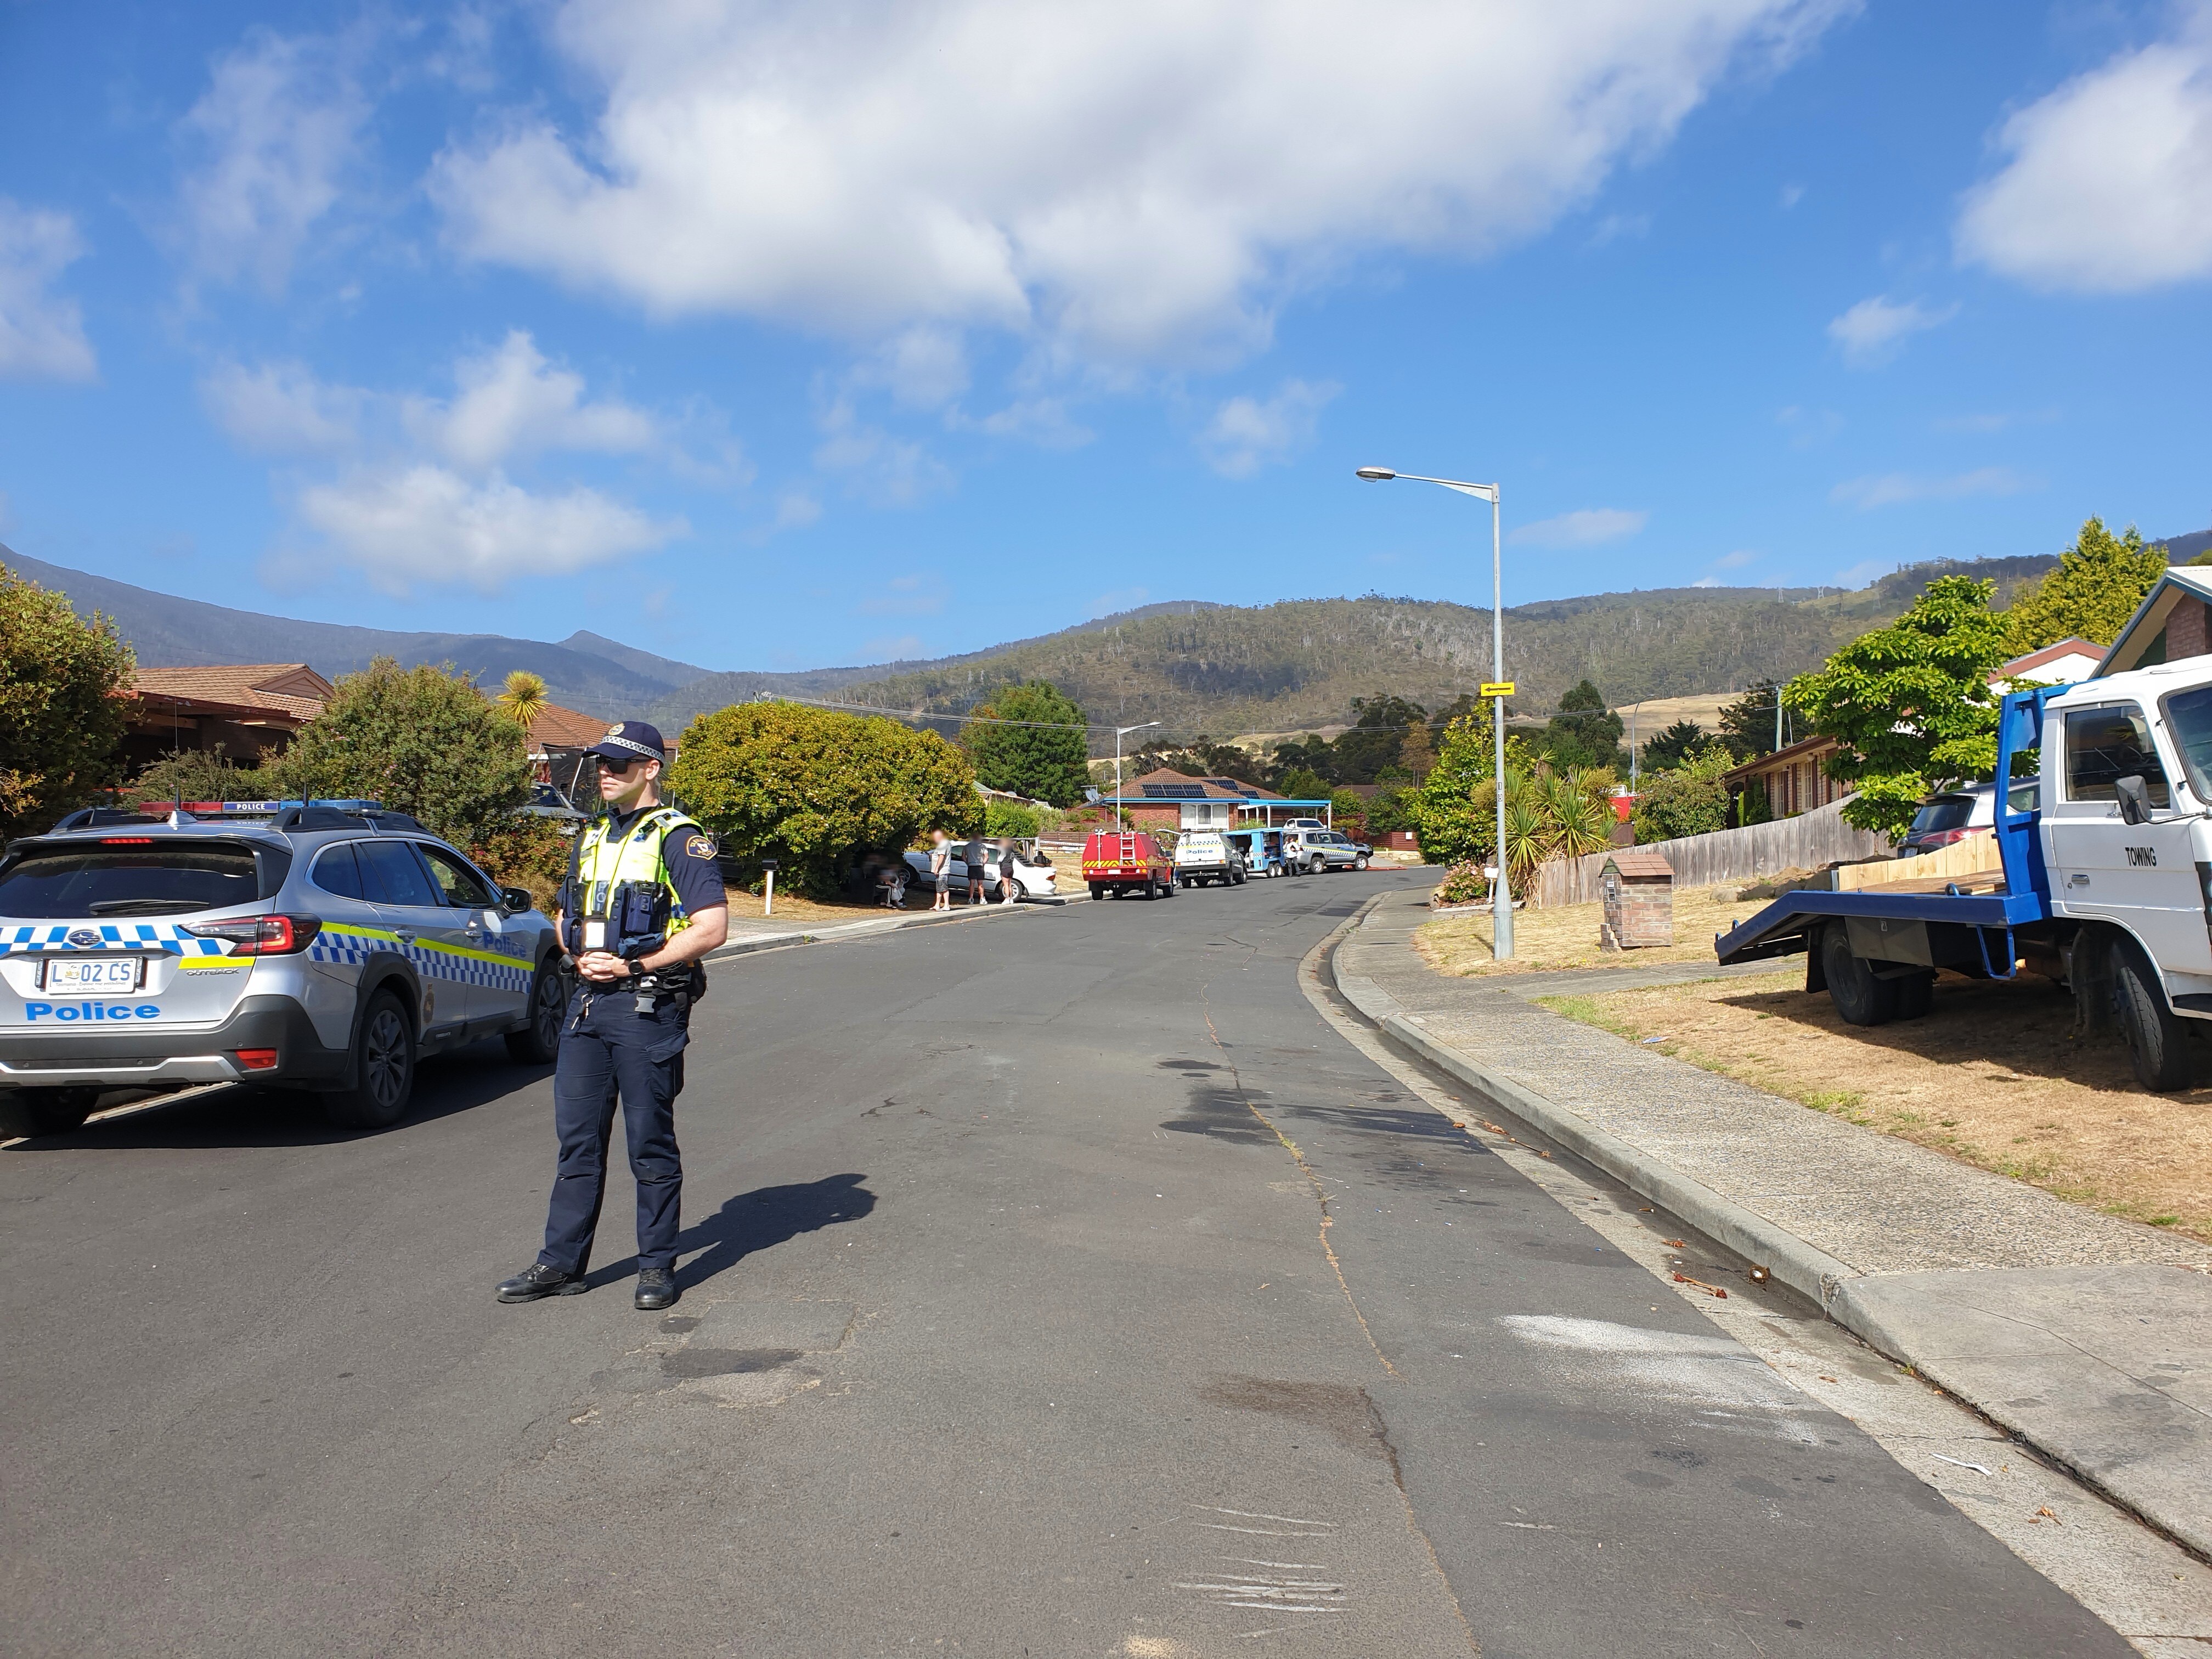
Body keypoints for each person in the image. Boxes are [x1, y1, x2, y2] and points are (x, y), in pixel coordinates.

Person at [496, 721, 730, 1313]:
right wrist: (578, 954)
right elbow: (563, 911)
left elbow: (713, 928)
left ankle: (656, 1267)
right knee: (576, 1143)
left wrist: (633, 966)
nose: (605, 772)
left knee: (648, 1143)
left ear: (651, 770)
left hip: (647, 1007)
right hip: (587, 1005)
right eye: (600, 763)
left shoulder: (681, 838)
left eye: (619, 765)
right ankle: (560, 1265)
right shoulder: (592, 834)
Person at [928, 829, 952, 912]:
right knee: (940, 888)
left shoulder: (943, 844)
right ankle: (937, 905)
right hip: (942, 871)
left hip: (943, 870)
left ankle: (946, 905)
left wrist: (937, 868)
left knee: (944, 888)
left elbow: (941, 857)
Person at [964, 832, 988, 905]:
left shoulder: (967, 846)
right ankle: (982, 898)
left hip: (971, 866)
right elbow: (987, 857)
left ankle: (971, 898)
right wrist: (983, 863)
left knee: (972, 883)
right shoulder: (983, 847)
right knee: (980, 884)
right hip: (979, 866)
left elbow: (963, 856)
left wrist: (968, 863)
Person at [998, 837, 1022, 904]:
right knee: (1010, 884)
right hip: (1011, 868)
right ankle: (1011, 899)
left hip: (1005, 868)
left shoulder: (1004, 850)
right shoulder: (1012, 851)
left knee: (1006, 885)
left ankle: (1007, 898)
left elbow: (1000, 859)